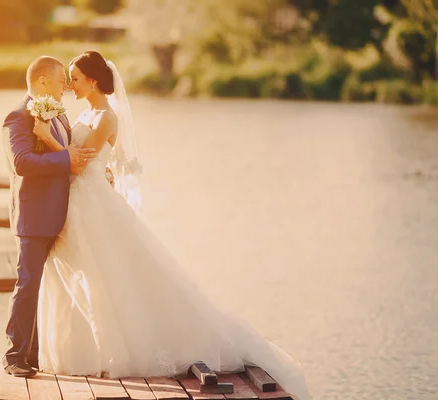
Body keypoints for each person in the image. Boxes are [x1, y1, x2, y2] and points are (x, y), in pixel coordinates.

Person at [30, 51, 312, 400]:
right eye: (68, 78)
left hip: (93, 206)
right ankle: (77, 352)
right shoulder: (84, 113)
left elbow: (77, 165)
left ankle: (113, 351)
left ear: (92, 81)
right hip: (79, 204)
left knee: (105, 277)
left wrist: (47, 136)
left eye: (74, 78)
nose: (69, 84)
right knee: (78, 276)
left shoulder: (107, 118)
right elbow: (79, 161)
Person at [1, 56, 97, 377]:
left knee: (49, 287)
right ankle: (15, 356)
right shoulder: (18, 116)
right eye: (60, 82)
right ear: (42, 82)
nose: (65, 88)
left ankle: (38, 354)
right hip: (33, 215)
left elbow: (64, 152)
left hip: (60, 215)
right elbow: (22, 163)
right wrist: (67, 159)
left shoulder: (57, 116)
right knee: (28, 284)